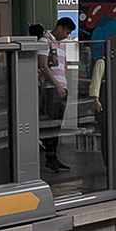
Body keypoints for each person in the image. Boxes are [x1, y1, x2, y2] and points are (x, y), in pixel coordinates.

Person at [37, 18, 75, 173]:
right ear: (59, 28)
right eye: (66, 32)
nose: (66, 36)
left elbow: (63, 64)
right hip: (51, 89)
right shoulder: (44, 41)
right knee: (50, 124)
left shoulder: (63, 44)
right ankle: (49, 157)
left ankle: (53, 158)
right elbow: (43, 65)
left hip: (61, 87)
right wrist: (57, 85)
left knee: (57, 125)